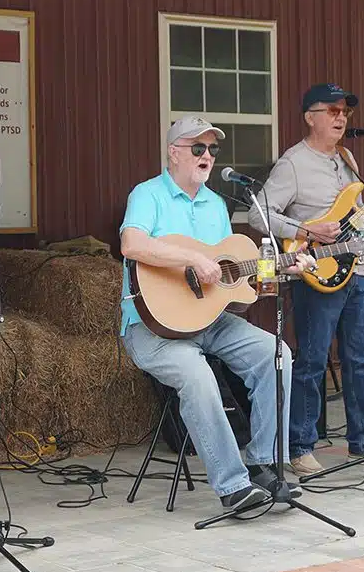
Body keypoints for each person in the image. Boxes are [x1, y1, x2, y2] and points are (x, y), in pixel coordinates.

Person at [119, 116, 315, 510]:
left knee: (275, 353)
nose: (207, 156)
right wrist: (191, 258)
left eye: (212, 150)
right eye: (198, 148)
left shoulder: (215, 203)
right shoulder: (148, 194)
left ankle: (262, 463)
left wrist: (280, 267)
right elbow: (131, 244)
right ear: (174, 153)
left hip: (208, 320)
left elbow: (227, 277)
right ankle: (233, 486)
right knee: (198, 376)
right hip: (152, 327)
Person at [247, 83, 364, 477]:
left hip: (356, 268)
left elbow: (357, 220)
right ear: (310, 117)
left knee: (361, 357)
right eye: (333, 111)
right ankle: (300, 444)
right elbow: (258, 215)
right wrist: (308, 228)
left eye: (345, 112)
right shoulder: (293, 163)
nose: (341, 118)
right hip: (315, 271)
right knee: (314, 358)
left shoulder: (348, 159)